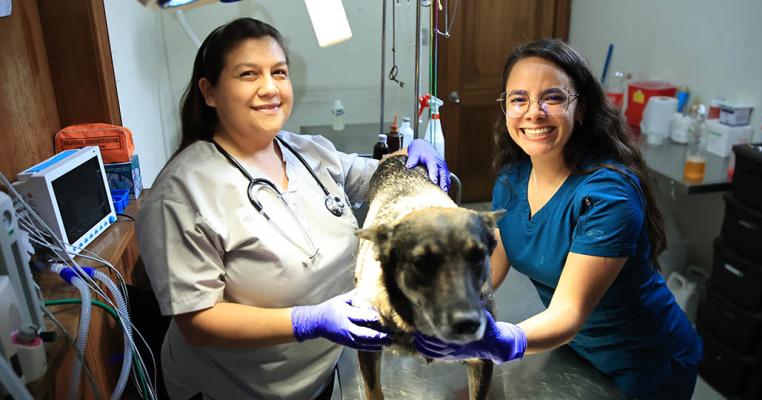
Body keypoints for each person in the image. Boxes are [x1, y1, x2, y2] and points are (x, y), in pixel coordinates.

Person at [135, 17, 448, 400]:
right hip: (231, 390)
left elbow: (373, 176)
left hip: (312, 376)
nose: (270, 88)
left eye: (279, 72)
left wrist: (412, 157)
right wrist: (307, 321)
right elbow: (197, 321)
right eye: (249, 74)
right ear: (210, 91)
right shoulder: (181, 194)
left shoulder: (309, 151)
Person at [414, 39, 703, 399]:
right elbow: (491, 265)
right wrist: (442, 303)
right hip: (576, 351)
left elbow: (569, 311)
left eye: (552, 98)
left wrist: (497, 342)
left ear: (579, 108)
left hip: (647, 363)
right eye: (518, 99)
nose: (533, 112)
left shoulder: (607, 196)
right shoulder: (512, 179)